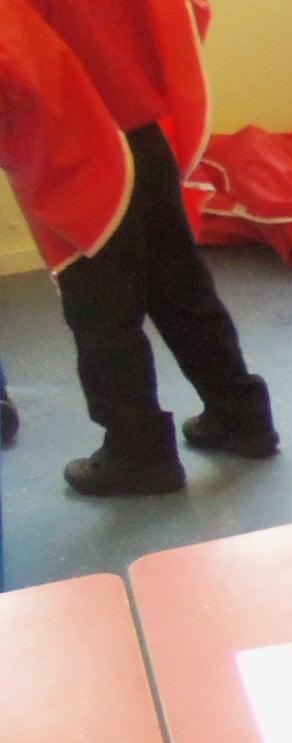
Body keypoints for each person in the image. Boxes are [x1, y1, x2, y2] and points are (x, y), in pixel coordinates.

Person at [5, 0, 275, 498]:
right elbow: (188, 12)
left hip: (77, 142)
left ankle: (138, 454)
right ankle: (240, 415)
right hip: (140, 129)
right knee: (180, 286)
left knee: (101, 311)